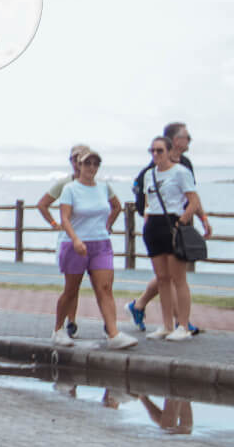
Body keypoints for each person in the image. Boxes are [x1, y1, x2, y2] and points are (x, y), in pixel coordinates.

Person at [127, 122, 211, 334]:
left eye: (159, 150)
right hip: (155, 227)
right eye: (186, 137)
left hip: (174, 223)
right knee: (164, 277)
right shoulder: (149, 172)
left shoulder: (183, 169)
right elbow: (146, 200)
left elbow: (193, 197)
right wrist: (147, 218)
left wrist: (194, 219)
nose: (189, 140)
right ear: (175, 141)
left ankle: (181, 323)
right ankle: (165, 323)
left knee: (177, 277)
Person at [50, 148, 135, 350]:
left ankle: (113, 333)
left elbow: (116, 206)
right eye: (87, 163)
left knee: (105, 288)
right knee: (71, 290)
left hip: (101, 243)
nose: (91, 167)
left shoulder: (103, 187)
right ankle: (58, 329)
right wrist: (75, 239)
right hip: (75, 245)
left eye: (95, 164)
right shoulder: (70, 189)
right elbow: (64, 218)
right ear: (78, 165)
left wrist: (107, 226)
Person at [35, 144, 89, 338]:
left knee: (100, 284)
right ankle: (70, 321)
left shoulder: (96, 184)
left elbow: (112, 206)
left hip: (92, 239)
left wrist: (106, 225)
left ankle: (109, 325)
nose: (78, 163)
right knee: (72, 283)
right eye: (74, 159)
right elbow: (42, 204)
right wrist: (53, 222)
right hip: (69, 239)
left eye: (82, 159)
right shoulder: (65, 184)